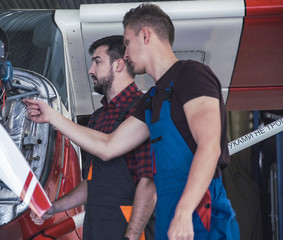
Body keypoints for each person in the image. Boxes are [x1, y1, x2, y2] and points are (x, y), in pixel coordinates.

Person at [25, 3, 240, 240]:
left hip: (199, 213)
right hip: (171, 219)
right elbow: (108, 146)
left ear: (145, 35)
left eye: (127, 43)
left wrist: (184, 211)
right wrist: (52, 116)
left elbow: (209, 146)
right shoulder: (151, 101)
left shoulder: (191, 75)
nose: (125, 54)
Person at [29, 35, 156, 240]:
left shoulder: (142, 109)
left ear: (118, 65)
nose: (90, 70)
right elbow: (92, 182)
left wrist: (131, 235)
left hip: (127, 228)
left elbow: (149, 183)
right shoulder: (99, 117)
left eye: (97, 62)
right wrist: (54, 208)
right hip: (96, 228)